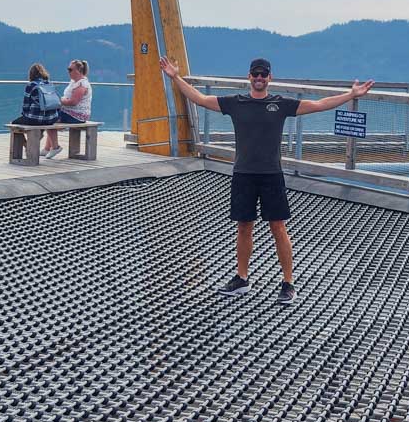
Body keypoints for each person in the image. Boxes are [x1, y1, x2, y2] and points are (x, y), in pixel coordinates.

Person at [160, 55, 374, 304]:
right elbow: (200, 99)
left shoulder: (280, 104)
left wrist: (351, 95)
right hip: (243, 173)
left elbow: (318, 105)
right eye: (256, 74)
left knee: (278, 227)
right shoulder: (236, 102)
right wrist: (175, 77)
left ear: (270, 78)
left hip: (272, 174)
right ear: (249, 77)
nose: (259, 78)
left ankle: (288, 282)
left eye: (263, 74)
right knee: (243, 226)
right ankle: (241, 279)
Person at [43, 59, 92, 159]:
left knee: (49, 118)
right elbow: (68, 99)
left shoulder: (82, 84)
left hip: (77, 115)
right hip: (70, 112)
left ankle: (55, 147)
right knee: (51, 115)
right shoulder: (75, 82)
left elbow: (73, 102)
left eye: (70, 69)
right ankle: (47, 148)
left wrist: (58, 101)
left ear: (78, 71)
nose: (68, 71)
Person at [12, 63, 59, 137]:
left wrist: (24, 115)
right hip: (52, 119)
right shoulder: (49, 83)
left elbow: (26, 106)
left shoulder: (31, 85)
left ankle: (26, 145)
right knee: (40, 122)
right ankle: (38, 136)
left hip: (35, 119)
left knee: (14, 125)